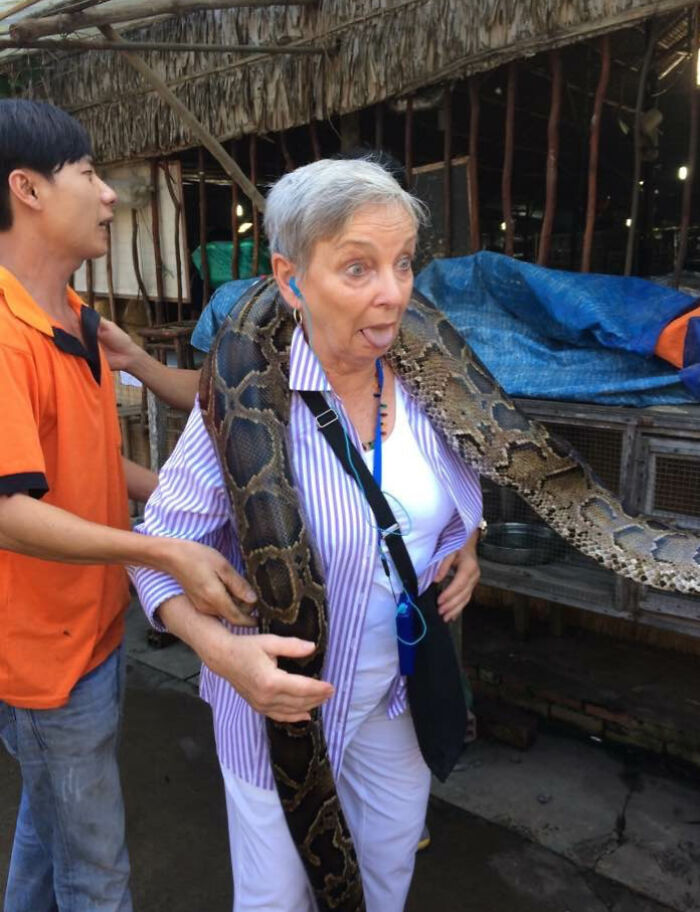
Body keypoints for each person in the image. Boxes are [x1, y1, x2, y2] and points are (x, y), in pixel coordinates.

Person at [131, 157, 483, 912]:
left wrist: (468, 543)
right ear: (291, 281)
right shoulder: (243, 400)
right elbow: (158, 557)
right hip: (279, 710)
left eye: (402, 264)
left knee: (386, 880)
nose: (392, 293)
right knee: (275, 902)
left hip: (400, 697)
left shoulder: (427, 386)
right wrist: (225, 654)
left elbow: (447, 499)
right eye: (358, 268)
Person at [0, 99, 255, 912]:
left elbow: (83, 465)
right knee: (98, 875)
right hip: (44, 656)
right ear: (28, 190)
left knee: (52, 830)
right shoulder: (2, 334)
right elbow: (8, 509)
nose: (110, 195)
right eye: (88, 173)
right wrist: (161, 550)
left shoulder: (78, 320)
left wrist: (191, 504)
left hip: (95, 624)